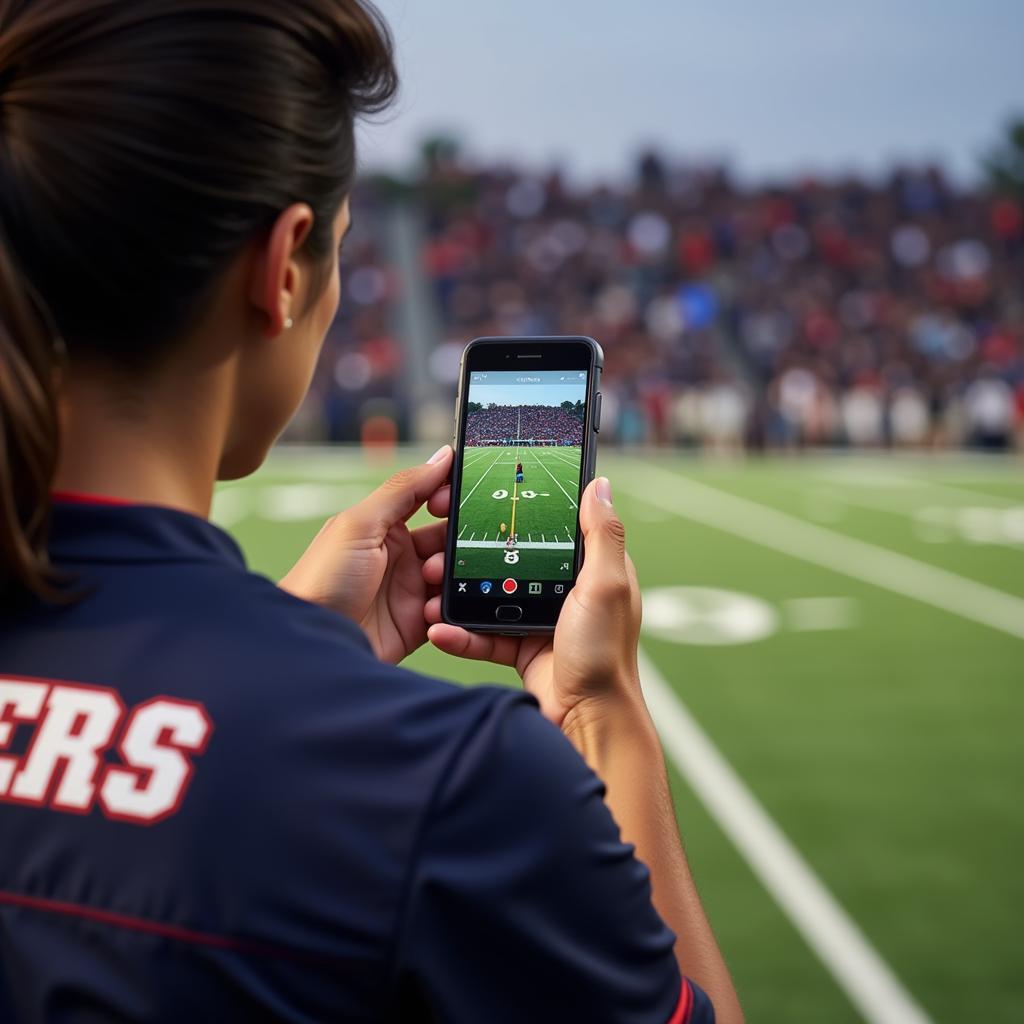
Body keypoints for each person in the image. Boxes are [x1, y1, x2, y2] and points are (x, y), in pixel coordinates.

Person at [0, 2, 743, 1022]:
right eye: (342, 247)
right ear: (285, 267)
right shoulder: (447, 780)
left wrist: (284, 650)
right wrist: (599, 711)